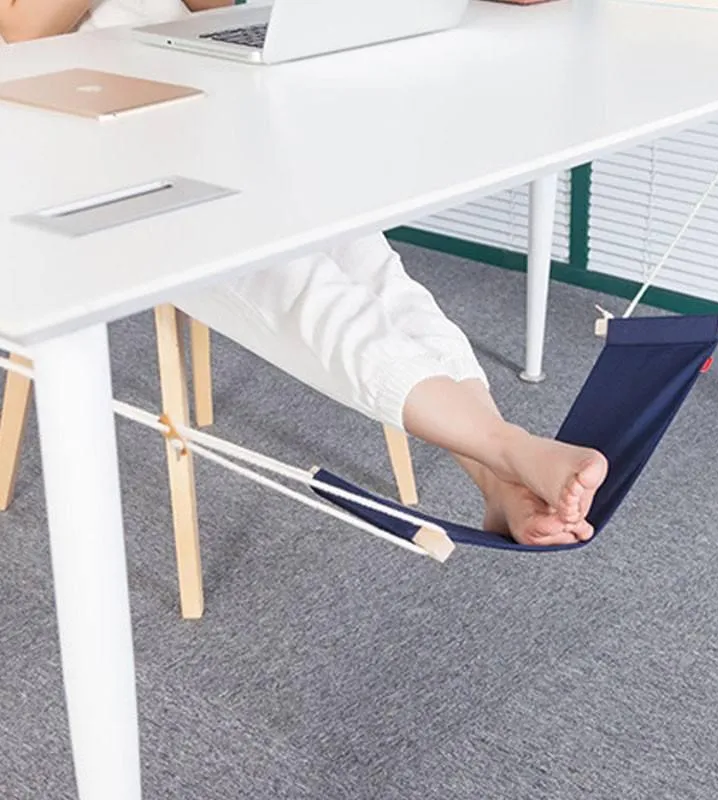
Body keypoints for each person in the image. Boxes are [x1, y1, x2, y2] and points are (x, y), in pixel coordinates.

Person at [0, 0, 608, 547]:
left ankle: (493, 474)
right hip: (70, 139)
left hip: (193, 96)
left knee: (365, 259)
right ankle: (507, 449)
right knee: (297, 285)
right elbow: (22, 27)